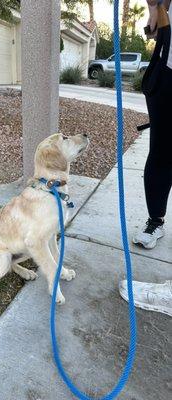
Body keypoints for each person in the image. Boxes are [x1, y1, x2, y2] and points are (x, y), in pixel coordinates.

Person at [119, 0, 172, 316]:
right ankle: (156, 221)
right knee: (162, 152)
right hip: (168, 72)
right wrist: (155, 7)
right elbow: (154, 25)